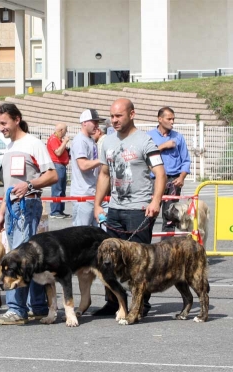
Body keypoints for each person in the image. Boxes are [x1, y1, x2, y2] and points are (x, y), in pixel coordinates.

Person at [93, 98, 166, 316]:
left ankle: (140, 304)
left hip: (139, 210)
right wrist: (97, 204)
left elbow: (160, 174)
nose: (114, 120)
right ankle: (114, 302)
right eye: (112, 116)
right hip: (115, 209)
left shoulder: (145, 141)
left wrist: (155, 201)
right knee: (110, 259)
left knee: (139, 262)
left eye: (119, 116)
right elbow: (105, 174)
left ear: (132, 114)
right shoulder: (107, 142)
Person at [0, 103, 58, 325]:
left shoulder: (33, 143)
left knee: (17, 259)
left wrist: (29, 185)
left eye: (4, 123)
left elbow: (52, 175)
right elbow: (9, 186)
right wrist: (2, 211)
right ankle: (37, 306)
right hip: (13, 208)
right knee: (28, 257)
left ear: (17, 119)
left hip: (27, 206)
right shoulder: (10, 147)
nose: (1, 128)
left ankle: (16, 309)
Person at [147, 107, 191, 239]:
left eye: (173, 119)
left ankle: (166, 253)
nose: (172, 122)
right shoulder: (149, 137)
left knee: (170, 217)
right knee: (149, 215)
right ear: (160, 119)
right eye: (169, 119)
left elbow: (186, 160)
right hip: (154, 181)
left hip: (173, 181)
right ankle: (144, 249)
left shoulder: (179, 137)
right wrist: (163, 146)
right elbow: (145, 157)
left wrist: (182, 177)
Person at [70, 109, 106, 227]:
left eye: (97, 122)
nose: (97, 125)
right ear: (84, 123)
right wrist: (102, 160)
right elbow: (83, 165)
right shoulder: (80, 140)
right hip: (83, 195)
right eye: (94, 122)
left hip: (92, 193)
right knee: (81, 234)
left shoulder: (90, 140)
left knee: (98, 231)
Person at [46, 123, 70, 219]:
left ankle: (60, 210)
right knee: (57, 189)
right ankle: (55, 211)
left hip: (61, 165)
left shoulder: (57, 139)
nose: (66, 133)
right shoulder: (53, 139)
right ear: (61, 130)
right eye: (65, 130)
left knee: (62, 189)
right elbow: (58, 152)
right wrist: (65, 142)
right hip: (57, 165)